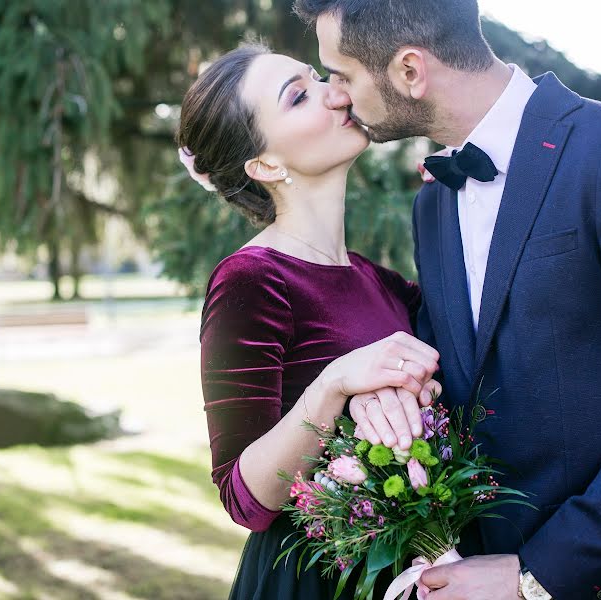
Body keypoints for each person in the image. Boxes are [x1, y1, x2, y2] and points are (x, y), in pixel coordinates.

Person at [293, 1, 601, 599]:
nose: (337, 97)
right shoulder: (434, 203)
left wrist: (535, 577)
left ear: (409, 71)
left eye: (342, 74)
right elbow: (467, 376)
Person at [176, 44, 442, 599]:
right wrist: (334, 385)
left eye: (318, 77)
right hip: (312, 577)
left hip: (404, 566)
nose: (336, 91)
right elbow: (242, 496)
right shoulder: (249, 280)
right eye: (299, 97)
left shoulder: (380, 280)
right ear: (266, 165)